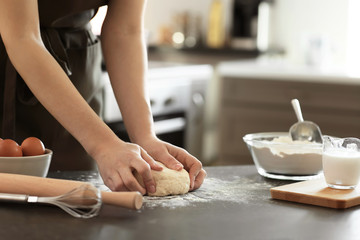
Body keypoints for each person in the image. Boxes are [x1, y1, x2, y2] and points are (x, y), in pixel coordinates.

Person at [0, 0, 206, 195]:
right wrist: (102, 144)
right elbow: (22, 37)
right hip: (12, 60)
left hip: (75, 80)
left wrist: (145, 137)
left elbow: (125, 31)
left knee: (77, 199)